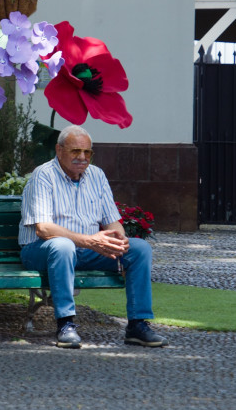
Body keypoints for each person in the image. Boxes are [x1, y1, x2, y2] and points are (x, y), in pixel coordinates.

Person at [19, 124, 167, 349]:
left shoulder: (97, 176)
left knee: (139, 249)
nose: (82, 157)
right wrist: (90, 241)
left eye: (87, 152)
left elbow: (112, 221)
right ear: (59, 151)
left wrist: (119, 238)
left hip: (86, 249)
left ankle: (137, 325)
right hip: (40, 250)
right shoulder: (44, 175)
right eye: (75, 151)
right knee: (62, 246)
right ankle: (65, 324)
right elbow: (44, 229)